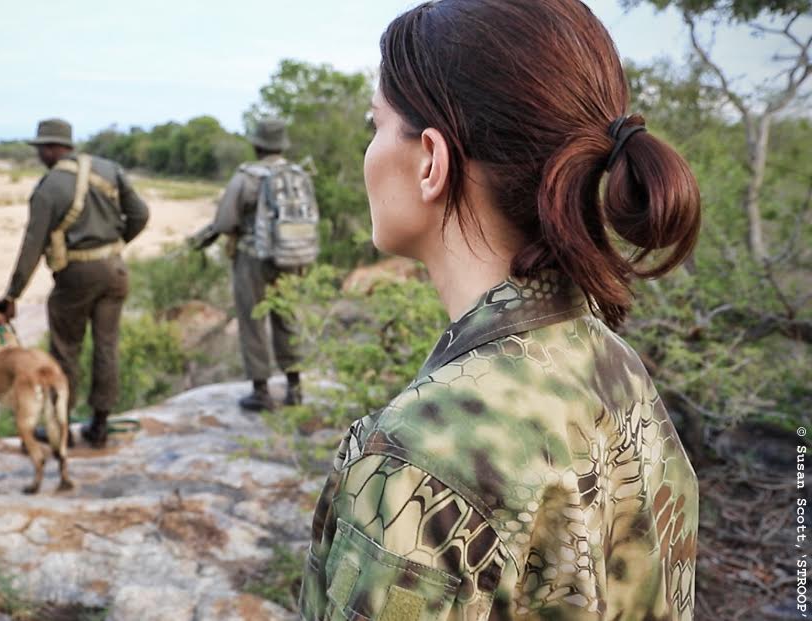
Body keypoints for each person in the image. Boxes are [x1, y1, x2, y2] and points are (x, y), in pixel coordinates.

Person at [300, 2, 701, 619]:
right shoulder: (609, 361)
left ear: (431, 161)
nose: (369, 152)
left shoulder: (424, 454)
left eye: (374, 125)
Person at [4, 118, 149, 448]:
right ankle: (99, 426)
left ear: (53, 149)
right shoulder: (110, 169)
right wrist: (114, 245)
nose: (40, 154)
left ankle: (62, 428)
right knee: (107, 346)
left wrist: (13, 294)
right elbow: (140, 214)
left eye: (41, 148)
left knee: (66, 351)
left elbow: (31, 247)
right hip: (115, 270)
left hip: (76, 275)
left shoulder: (49, 187)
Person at [189, 117, 318, 411]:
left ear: (257, 145)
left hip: (252, 258)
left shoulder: (246, 177)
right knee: (287, 317)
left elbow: (224, 221)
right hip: (291, 258)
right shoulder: (298, 174)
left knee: (253, 320)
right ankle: (294, 386)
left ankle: (261, 391)